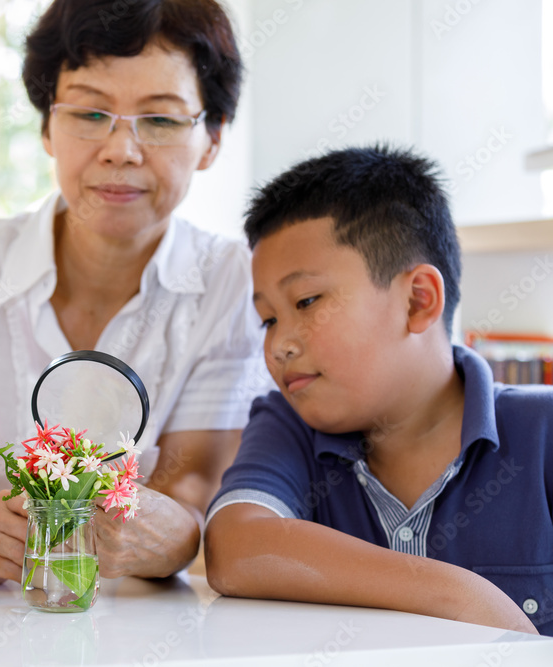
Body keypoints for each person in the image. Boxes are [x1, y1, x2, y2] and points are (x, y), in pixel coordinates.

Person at [0, 0, 267, 584]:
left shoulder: (231, 282)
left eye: (161, 120)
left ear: (212, 139)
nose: (121, 149)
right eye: (90, 113)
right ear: (46, 127)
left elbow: (193, 492)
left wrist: (171, 539)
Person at [203, 144, 548, 635]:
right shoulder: (288, 426)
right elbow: (235, 546)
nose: (278, 345)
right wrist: (459, 595)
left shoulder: (543, 434)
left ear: (417, 301)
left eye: (306, 301)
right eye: (268, 320)